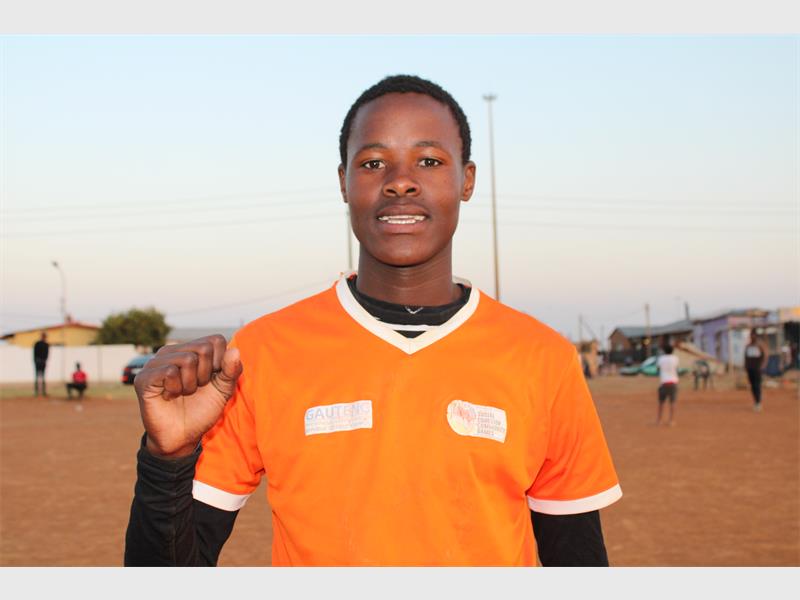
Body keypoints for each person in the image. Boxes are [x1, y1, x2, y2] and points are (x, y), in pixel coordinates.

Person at [124, 75, 622, 567]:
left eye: (429, 161)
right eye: (373, 162)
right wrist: (167, 459)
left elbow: (577, 564)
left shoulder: (543, 359)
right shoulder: (260, 354)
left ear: (466, 180)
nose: (400, 181)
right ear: (343, 181)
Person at [655, 345, 679, 426]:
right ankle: (671, 421)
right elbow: (676, 368)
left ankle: (659, 420)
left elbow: (657, 369)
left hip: (664, 382)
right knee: (672, 402)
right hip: (673, 382)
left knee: (661, 403)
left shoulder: (661, 358)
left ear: (664, 351)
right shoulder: (675, 358)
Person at [744, 331, 768, 412]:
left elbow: (765, 355)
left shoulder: (760, 345)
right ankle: (755, 401)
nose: (752, 337)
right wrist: (746, 366)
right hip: (750, 369)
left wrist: (762, 366)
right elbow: (746, 358)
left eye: (753, 336)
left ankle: (758, 402)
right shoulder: (748, 346)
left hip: (757, 369)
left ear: (756, 336)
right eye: (751, 336)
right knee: (752, 386)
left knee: (757, 385)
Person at [33, 332, 49, 397]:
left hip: (43, 362)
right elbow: (34, 353)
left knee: (43, 377)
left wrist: (45, 360)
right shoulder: (37, 343)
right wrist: (36, 361)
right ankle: (37, 392)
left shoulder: (46, 344)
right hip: (38, 362)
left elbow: (47, 354)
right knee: (37, 377)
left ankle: (43, 391)